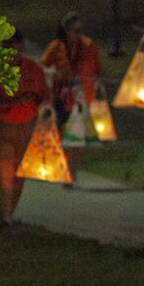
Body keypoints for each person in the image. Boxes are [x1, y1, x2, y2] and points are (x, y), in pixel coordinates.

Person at [0, 29, 49, 231]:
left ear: (21, 47)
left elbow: (44, 94)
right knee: (3, 170)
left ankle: (8, 214)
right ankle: (6, 219)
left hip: (27, 126)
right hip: (0, 126)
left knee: (19, 174)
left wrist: (41, 104)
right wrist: (14, 100)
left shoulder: (33, 69)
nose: (12, 53)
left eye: (16, 47)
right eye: (8, 47)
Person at [40, 11, 103, 185]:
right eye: (73, 30)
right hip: (62, 96)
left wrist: (94, 81)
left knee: (78, 136)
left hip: (82, 97)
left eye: (79, 30)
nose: (77, 34)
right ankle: (65, 167)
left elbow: (97, 69)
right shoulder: (56, 47)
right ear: (65, 30)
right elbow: (44, 67)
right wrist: (55, 74)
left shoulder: (88, 46)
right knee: (65, 135)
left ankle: (72, 172)